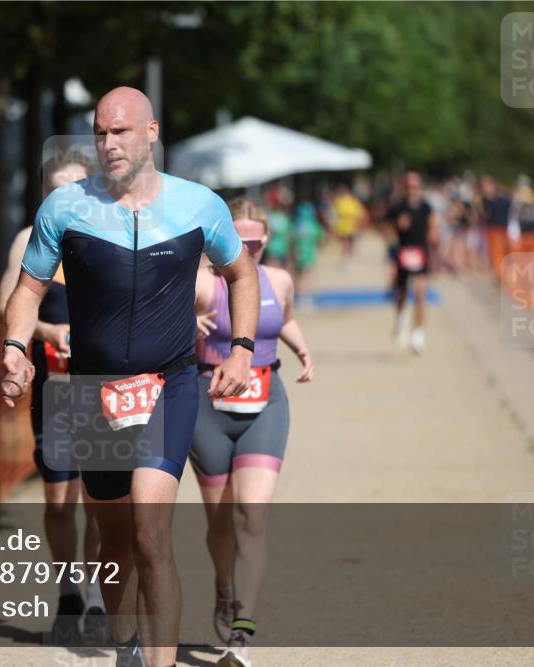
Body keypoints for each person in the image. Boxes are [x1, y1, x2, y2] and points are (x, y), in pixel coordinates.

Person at [0, 86, 260, 667]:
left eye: (120, 131)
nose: (108, 143)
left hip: (170, 384)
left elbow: (242, 275)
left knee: (149, 532)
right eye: (100, 132)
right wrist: (16, 346)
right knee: (115, 545)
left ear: (151, 133)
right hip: (94, 393)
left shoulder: (198, 205)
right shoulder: (65, 208)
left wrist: (241, 349)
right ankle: (127, 650)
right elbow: (28, 289)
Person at [191, 198, 314, 667]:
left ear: (267, 241)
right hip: (208, 406)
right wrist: (187, 322)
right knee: (220, 521)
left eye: (255, 243)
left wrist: (303, 350)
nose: (246, 250)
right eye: (237, 241)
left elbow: (285, 319)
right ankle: (224, 586)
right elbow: (158, 318)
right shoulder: (203, 282)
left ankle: (243, 631)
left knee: (253, 515)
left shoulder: (279, 280)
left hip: (265, 403)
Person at [0, 150, 107, 641]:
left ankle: (99, 598)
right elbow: (4, 306)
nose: (68, 197)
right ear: (45, 194)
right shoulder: (30, 240)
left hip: (104, 386)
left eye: (77, 187)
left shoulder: (110, 233)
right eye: (58, 189)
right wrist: (47, 331)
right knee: (60, 499)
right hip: (55, 388)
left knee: (101, 498)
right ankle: (68, 596)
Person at [387, 171, 438, 353]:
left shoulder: (426, 207)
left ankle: (418, 333)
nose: (411, 189)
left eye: (414, 186)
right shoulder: (397, 207)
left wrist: (433, 239)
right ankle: (401, 319)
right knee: (402, 293)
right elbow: (384, 229)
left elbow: (433, 229)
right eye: (408, 186)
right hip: (403, 253)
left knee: (420, 294)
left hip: (420, 254)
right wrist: (396, 226)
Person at [480, 175, 512, 278]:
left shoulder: (498, 200)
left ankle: (500, 272)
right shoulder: (487, 200)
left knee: (499, 251)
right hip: (494, 228)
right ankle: (499, 271)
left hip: (498, 229)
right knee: (496, 251)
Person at [292, 200, 323, 306]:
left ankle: (299, 295)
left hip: (299, 252)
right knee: (308, 274)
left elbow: (292, 239)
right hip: (310, 253)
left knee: (299, 274)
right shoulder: (313, 225)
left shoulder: (297, 225)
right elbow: (319, 239)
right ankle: (307, 295)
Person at [330, 183, 367, 267]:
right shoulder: (339, 201)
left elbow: (360, 213)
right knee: (345, 242)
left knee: (350, 242)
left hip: (351, 225)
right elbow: (334, 214)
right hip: (343, 226)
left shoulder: (351, 201)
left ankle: (348, 257)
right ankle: (346, 259)